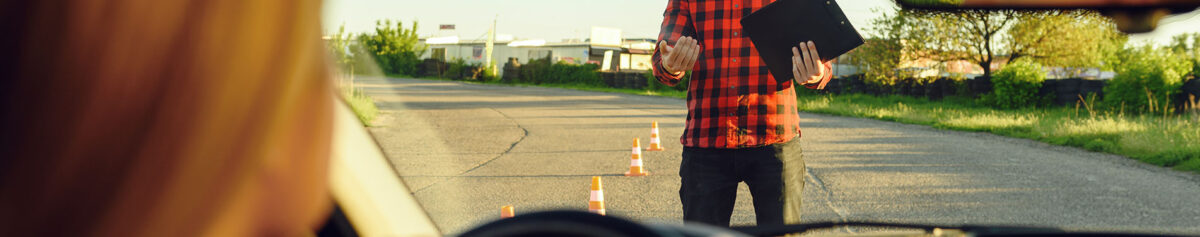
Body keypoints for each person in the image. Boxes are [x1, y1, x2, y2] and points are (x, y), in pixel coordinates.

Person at [651, 0, 834, 227]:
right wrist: (670, 64)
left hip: (775, 137)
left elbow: (822, 59)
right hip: (707, 139)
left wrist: (816, 74)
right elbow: (663, 57)